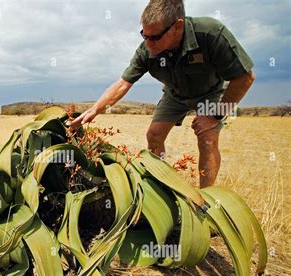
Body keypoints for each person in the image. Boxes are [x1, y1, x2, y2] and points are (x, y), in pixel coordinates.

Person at [70, 0, 255, 188]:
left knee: (207, 139)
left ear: (177, 26)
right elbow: (123, 83)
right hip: (175, 94)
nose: (148, 43)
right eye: (144, 35)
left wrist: (216, 115)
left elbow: (245, 78)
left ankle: (206, 200)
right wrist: (94, 110)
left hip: (210, 93)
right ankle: (162, 186)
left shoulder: (210, 34)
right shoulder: (147, 49)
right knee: (154, 136)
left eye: (155, 37)